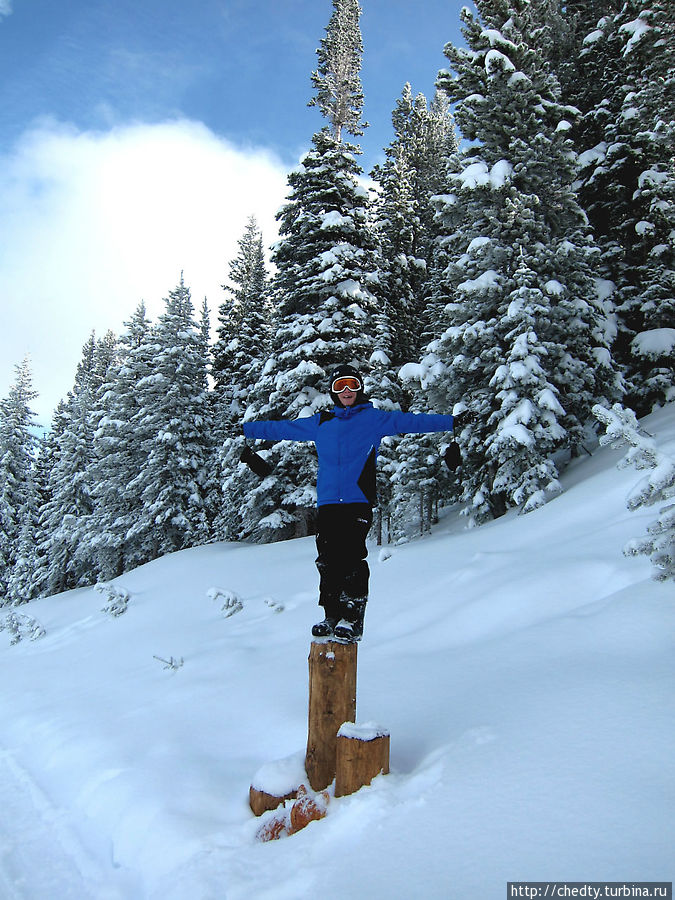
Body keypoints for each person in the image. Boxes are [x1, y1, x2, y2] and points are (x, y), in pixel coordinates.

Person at [242, 364, 455, 642]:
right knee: (328, 559)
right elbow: (283, 427)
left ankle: (352, 618)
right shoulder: (322, 422)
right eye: (340, 385)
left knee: (352, 557)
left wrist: (452, 421)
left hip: (358, 499)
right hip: (329, 502)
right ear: (333, 391)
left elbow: (414, 421)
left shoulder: (374, 419)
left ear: (359, 389)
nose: (346, 391)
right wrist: (246, 428)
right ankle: (331, 614)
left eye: (352, 385)